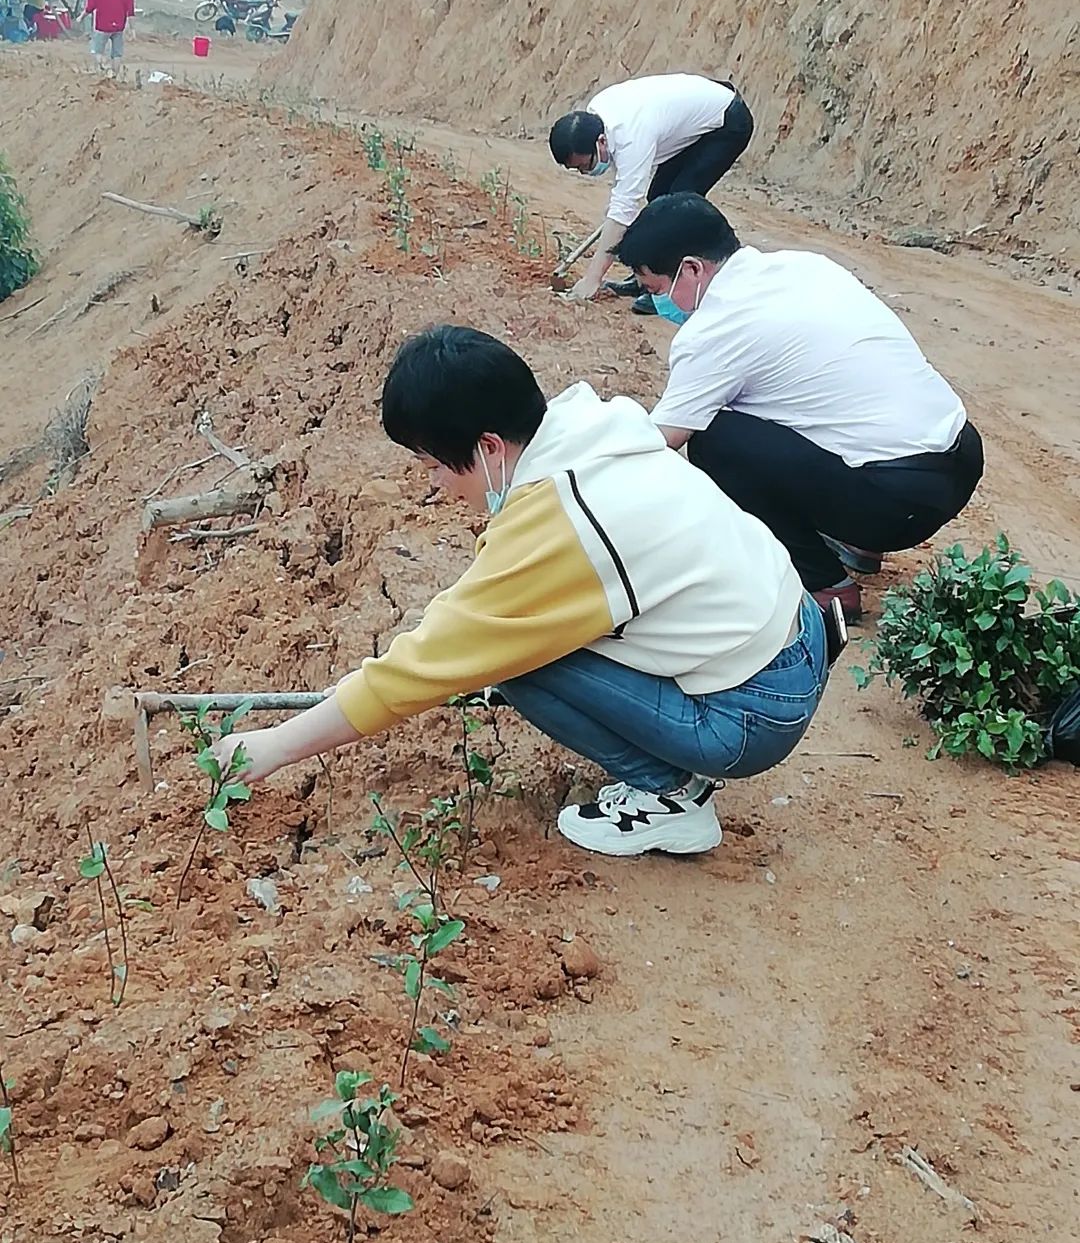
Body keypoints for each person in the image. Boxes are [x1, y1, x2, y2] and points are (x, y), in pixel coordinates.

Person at [211, 325, 828, 859]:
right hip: (795, 628)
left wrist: (277, 744)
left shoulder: (563, 526)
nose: (434, 485)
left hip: (755, 713)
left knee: (517, 664)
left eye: (432, 465)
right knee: (524, 640)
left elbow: (430, 662)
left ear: (487, 448)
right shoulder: (590, 425)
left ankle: (670, 799)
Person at [614, 193, 984, 621]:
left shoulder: (715, 330)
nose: (655, 302)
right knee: (795, 401)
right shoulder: (806, 265)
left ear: (692, 269)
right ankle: (859, 546)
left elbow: (661, 441)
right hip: (962, 457)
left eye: (655, 288)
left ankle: (827, 586)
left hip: (895, 505)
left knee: (716, 439)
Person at [548, 73, 753, 314]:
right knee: (658, 197)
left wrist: (592, 279)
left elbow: (624, 210)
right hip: (696, 118)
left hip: (727, 122)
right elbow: (623, 202)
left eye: (585, 165)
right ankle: (645, 279)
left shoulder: (631, 136)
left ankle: (669, 289)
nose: (585, 172)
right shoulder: (597, 116)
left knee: (678, 205)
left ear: (601, 142)